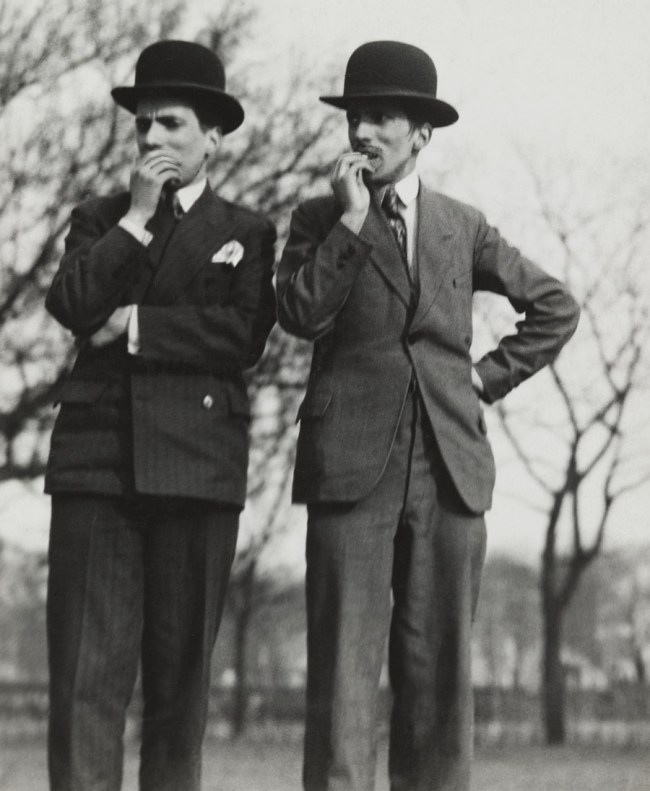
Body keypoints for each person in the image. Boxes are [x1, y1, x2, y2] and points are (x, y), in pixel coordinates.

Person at [276, 40, 580, 791]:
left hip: (450, 468)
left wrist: (483, 379)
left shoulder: (461, 225)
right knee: (342, 675)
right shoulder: (318, 219)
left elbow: (555, 307)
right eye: (355, 117)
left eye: (381, 118)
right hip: (350, 467)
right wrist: (351, 224)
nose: (362, 133)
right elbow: (300, 314)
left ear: (422, 134)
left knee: (440, 676)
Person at [44, 40, 276, 791]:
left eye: (170, 123)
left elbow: (242, 334)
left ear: (213, 136)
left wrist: (134, 325)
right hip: (97, 466)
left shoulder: (248, 231)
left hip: (198, 471)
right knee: (85, 684)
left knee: (178, 695)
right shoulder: (99, 219)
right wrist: (137, 220)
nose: (151, 139)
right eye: (142, 124)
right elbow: (72, 304)